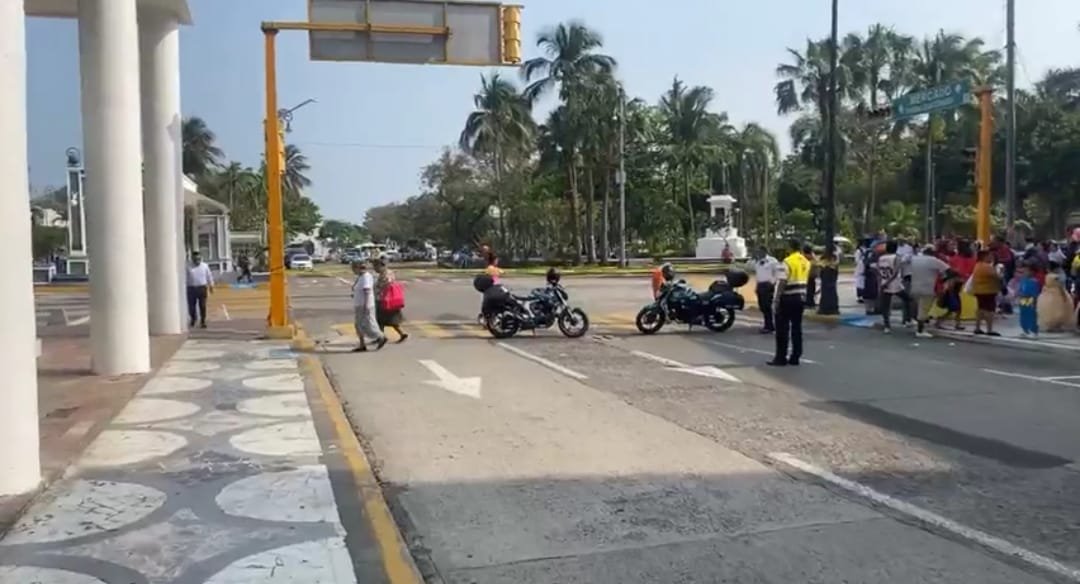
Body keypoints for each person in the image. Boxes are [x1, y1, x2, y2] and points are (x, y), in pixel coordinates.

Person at [769, 239, 810, 367]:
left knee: (782, 329)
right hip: (800, 297)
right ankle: (795, 356)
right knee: (797, 328)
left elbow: (782, 282)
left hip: (787, 298)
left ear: (789, 247)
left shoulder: (787, 262)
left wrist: (776, 300)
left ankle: (781, 357)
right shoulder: (805, 261)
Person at [909, 245, 949, 338]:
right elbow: (949, 270)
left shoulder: (915, 259)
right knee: (923, 310)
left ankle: (917, 325)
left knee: (919, 307)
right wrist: (944, 280)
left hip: (914, 287)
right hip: (928, 288)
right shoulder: (934, 261)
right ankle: (920, 330)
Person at [351, 260, 388, 352]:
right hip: (360, 304)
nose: (353, 271)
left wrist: (366, 305)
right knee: (359, 325)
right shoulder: (361, 277)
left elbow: (367, 291)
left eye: (353, 268)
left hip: (364, 305)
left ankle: (381, 337)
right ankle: (362, 344)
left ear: (358, 268)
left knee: (369, 325)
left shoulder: (366, 277)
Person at [876, 241, 910, 333]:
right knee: (908, 300)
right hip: (895, 284)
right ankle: (906, 320)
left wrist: (882, 284)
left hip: (884, 282)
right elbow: (895, 272)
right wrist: (888, 282)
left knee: (885, 306)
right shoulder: (897, 257)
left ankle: (887, 326)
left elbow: (878, 271)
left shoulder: (881, 258)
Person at [372, 258, 408, 343]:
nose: (375, 269)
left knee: (381, 320)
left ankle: (381, 338)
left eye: (376, 267)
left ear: (381, 266)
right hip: (391, 301)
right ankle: (399, 334)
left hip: (384, 300)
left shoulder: (385, 275)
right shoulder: (389, 273)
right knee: (389, 320)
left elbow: (382, 287)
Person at [970, 250, 1002, 336]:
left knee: (981, 309)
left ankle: (977, 327)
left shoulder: (977, 265)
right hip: (988, 291)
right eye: (989, 256)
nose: (991, 258)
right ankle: (989, 329)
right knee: (990, 310)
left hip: (979, 290)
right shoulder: (987, 267)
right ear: (984, 257)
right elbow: (997, 277)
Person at [751, 247, 779, 334]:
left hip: (768, 285)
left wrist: (773, 282)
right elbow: (758, 274)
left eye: (759, 251)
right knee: (762, 306)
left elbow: (777, 273)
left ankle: (769, 326)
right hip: (760, 285)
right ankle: (768, 324)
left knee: (767, 306)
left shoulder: (772, 261)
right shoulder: (757, 262)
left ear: (765, 251)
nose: (758, 253)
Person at [186, 251, 214, 329]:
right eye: (195, 259)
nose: (197, 260)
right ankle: (193, 318)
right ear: (192, 259)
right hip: (191, 288)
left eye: (199, 258)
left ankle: (203, 321)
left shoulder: (205, 266)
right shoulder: (188, 266)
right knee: (191, 306)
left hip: (202, 288)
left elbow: (209, 276)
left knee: (203, 305)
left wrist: (211, 285)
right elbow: (184, 277)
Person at [1017, 263, 1041, 338]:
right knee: (1023, 314)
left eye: (1027, 270)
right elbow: (1020, 289)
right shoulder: (1023, 279)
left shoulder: (1034, 281)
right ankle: (1025, 330)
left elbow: (1035, 293)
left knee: (1031, 315)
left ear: (1032, 272)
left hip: (1030, 299)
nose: (1025, 272)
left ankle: (1034, 331)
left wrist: (1035, 301)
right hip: (1022, 299)